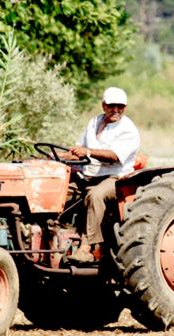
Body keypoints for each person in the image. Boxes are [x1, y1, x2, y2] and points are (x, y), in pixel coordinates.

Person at [63, 86, 141, 263]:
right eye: (112, 106)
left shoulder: (128, 130)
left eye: (120, 106)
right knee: (60, 191)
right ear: (103, 105)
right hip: (89, 175)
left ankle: (89, 248)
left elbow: (114, 156)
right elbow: (77, 150)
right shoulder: (94, 122)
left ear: (125, 108)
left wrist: (88, 152)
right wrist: (55, 157)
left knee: (95, 196)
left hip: (116, 178)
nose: (116, 110)